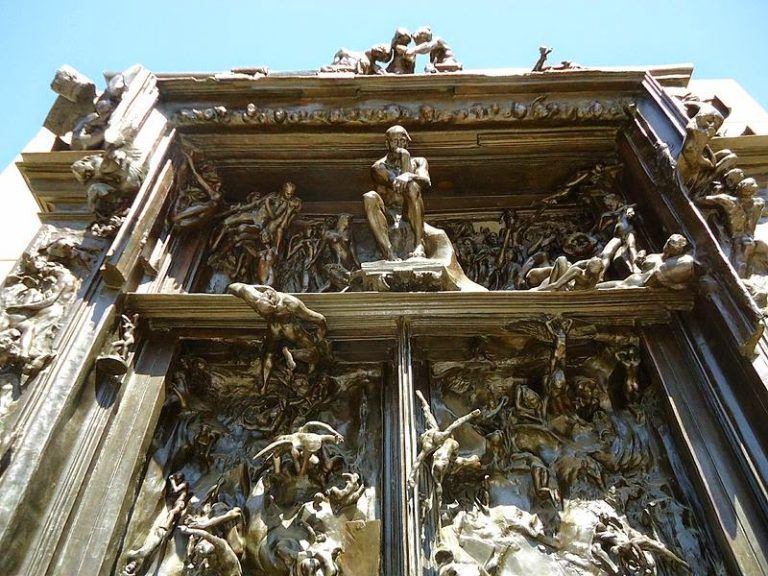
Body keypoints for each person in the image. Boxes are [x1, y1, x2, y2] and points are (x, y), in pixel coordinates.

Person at [363, 125, 431, 260]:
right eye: (395, 141)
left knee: (413, 186)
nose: (399, 145)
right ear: (387, 144)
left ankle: (419, 244)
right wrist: (405, 158)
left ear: (407, 143)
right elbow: (399, 186)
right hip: (388, 214)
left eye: (403, 141)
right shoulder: (378, 167)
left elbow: (426, 181)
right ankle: (389, 253)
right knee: (369, 197)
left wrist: (408, 173)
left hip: (408, 210)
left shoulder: (419, 161)